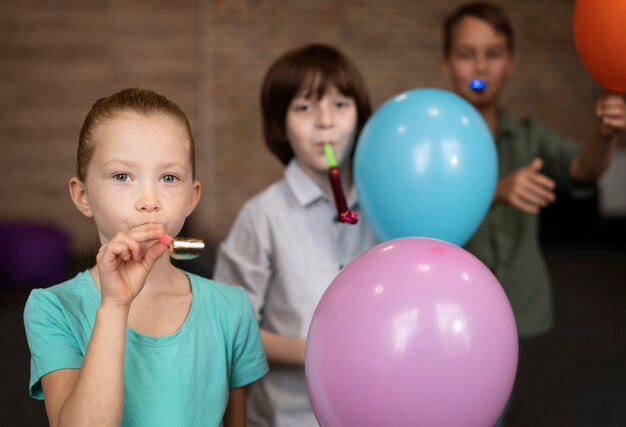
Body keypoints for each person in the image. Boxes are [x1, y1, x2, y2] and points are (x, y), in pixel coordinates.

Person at [23, 88, 268, 427]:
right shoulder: (52, 308)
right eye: (122, 176)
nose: (149, 199)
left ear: (191, 197)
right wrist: (114, 305)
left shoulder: (231, 309)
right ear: (82, 196)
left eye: (169, 178)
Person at [441, 2, 625, 424]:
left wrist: (604, 138)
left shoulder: (528, 135)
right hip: (446, 305)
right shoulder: (432, 141)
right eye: (466, 53)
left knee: (489, 410)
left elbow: (582, 170)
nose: (481, 66)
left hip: (511, 306)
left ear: (512, 63)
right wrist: (496, 192)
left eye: (494, 53)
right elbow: (415, 216)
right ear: (446, 63)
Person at [213, 44, 378, 426]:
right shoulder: (262, 216)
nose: (325, 121)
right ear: (280, 126)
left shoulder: (383, 206)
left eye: (340, 104)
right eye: (304, 107)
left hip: (374, 406)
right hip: (289, 415)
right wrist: (320, 352)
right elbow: (232, 331)